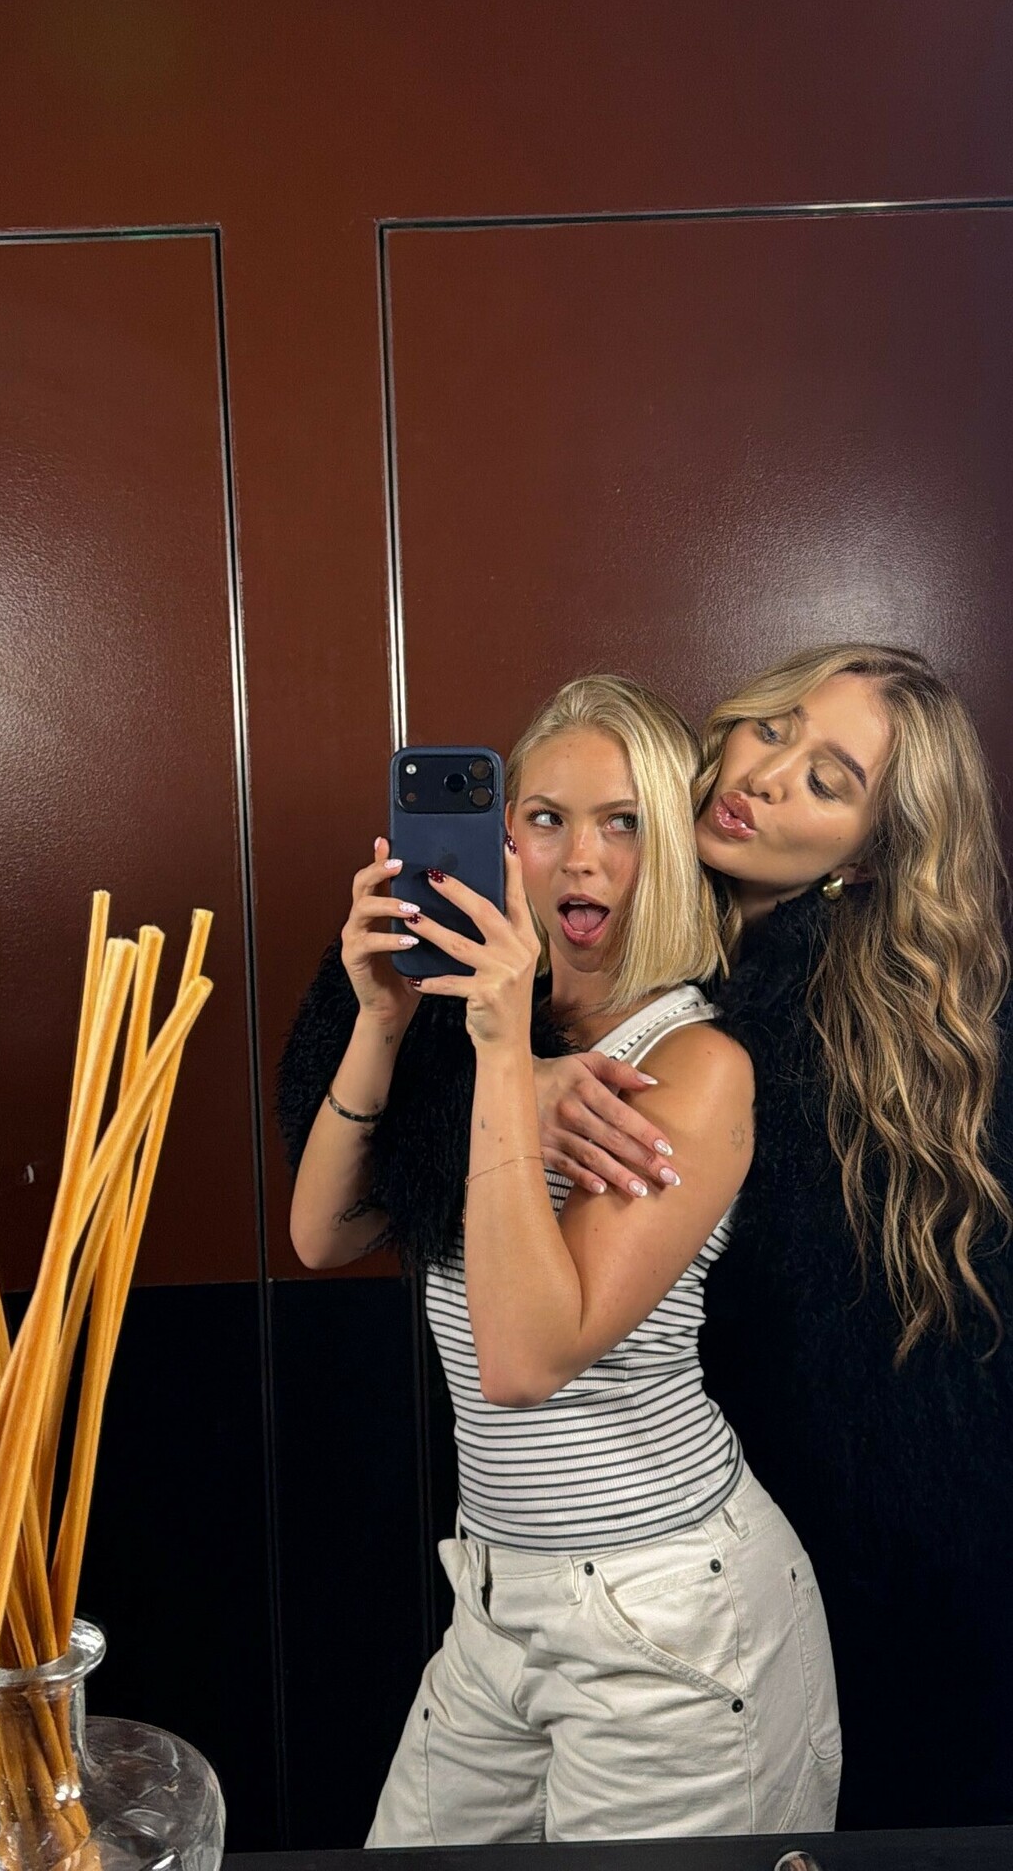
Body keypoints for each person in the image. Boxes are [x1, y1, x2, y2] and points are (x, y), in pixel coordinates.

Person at [283, 675, 840, 1845]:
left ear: (670, 847)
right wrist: (385, 1022)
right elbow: (323, 1234)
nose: (581, 857)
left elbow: (526, 1361)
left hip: (668, 1617)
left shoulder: (693, 1065)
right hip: (496, 1603)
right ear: (505, 843)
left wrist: (499, 1059)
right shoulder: (479, 1041)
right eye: (546, 818)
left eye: (623, 822)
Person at [536, 643, 1013, 1830]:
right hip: (637, 1535)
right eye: (774, 727)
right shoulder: (612, 920)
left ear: (869, 857)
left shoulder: (870, 1028)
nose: (764, 774)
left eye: (828, 780)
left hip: (879, 1552)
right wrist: (525, 1081)